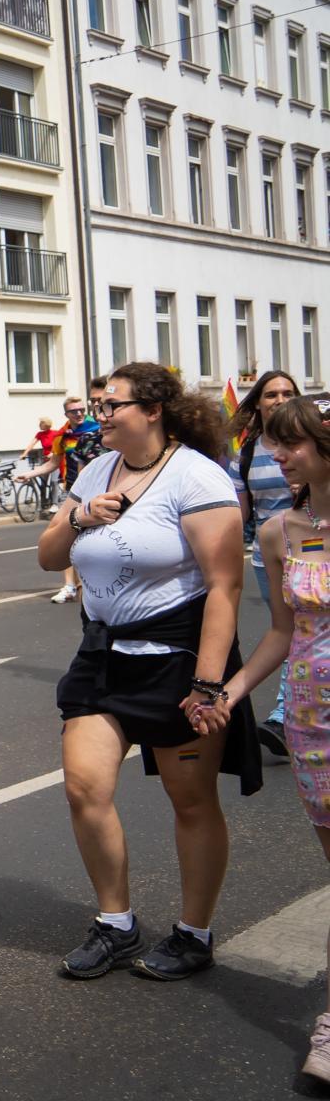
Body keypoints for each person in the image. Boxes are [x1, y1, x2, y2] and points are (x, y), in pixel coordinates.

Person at [37, 362, 257, 983]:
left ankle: (193, 933)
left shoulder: (196, 477)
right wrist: (81, 518)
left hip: (177, 657)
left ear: (153, 410)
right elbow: (48, 555)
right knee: (85, 787)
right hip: (102, 652)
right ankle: (116, 924)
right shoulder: (95, 470)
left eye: (113, 406)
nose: (100, 415)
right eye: (99, 406)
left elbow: (224, 585)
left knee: (189, 801)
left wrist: (208, 684)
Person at [221, 394, 330, 1083]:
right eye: (271, 443)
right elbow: (285, 633)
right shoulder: (281, 531)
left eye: (290, 443)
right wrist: (229, 692)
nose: (277, 456)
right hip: (315, 724)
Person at [228, 370, 301, 757]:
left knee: (308, 633)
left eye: (288, 392)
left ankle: (283, 716)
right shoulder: (247, 452)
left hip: (316, 552)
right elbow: (239, 516)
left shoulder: (316, 445)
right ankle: (288, 715)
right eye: (271, 393)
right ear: (258, 402)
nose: (280, 399)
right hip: (267, 556)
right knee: (293, 632)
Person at [23, 378, 109, 599]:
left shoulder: (100, 428)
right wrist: (30, 474)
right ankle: (70, 585)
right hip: (73, 489)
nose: (79, 414)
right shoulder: (63, 436)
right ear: (67, 415)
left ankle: (89, 585)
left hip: (100, 492)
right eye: (74, 411)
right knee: (66, 533)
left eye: (82, 410)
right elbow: (53, 463)